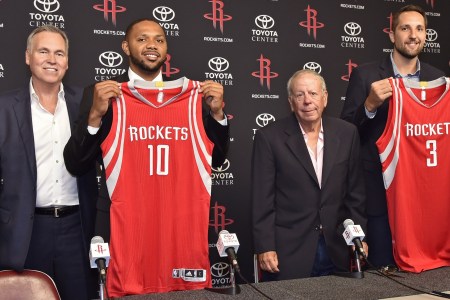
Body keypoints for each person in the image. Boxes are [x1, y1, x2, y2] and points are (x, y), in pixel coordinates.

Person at [63, 19, 229, 296]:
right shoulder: (104, 95)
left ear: (166, 49)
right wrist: (94, 115)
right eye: (142, 39)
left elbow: (217, 158)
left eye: (159, 40)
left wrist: (218, 115)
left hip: (181, 233)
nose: (152, 45)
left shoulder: (197, 98)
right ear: (126, 47)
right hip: (127, 234)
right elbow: (76, 162)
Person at [340, 4, 445, 268]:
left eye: (420, 28)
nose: (413, 35)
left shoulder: (438, 79)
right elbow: (345, 135)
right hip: (380, 195)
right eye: (405, 28)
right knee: (385, 274)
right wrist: (370, 106)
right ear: (392, 35)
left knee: (430, 273)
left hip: (424, 194)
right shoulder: (365, 76)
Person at [0, 25, 97, 300]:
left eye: (59, 53)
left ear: (67, 61)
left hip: (77, 230)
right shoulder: (4, 108)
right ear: (28, 57)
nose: (52, 60)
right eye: (43, 51)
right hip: (26, 233)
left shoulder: (87, 105)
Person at [252, 69, 367, 281]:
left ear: (325, 98)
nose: (307, 101)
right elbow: (262, 200)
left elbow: (355, 194)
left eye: (313, 94)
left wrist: (360, 236)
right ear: (291, 101)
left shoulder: (347, 133)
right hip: (289, 253)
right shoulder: (269, 138)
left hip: (337, 249)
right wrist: (265, 246)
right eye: (299, 95)